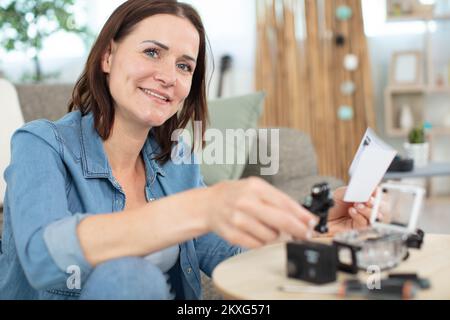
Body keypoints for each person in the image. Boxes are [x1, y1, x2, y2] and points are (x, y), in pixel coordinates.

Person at [0, 0, 377, 300]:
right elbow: (42, 258)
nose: (168, 76)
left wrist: (318, 230)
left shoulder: (177, 161)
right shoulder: (40, 143)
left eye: (184, 65)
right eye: (151, 52)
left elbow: (228, 257)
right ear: (108, 57)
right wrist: (198, 208)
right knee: (127, 275)